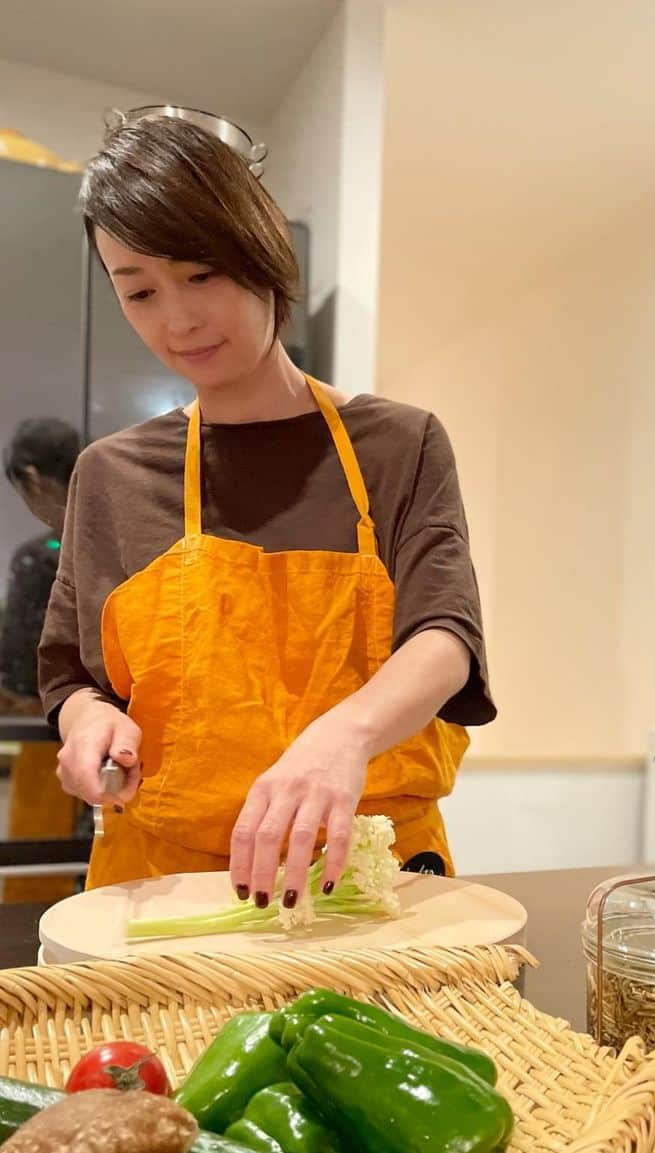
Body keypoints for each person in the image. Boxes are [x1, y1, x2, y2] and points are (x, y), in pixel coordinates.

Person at [39, 111, 494, 903]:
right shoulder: (109, 475)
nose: (176, 319)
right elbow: (74, 679)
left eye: (201, 275)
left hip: (367, 883)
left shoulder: (399, 444)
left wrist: (343, 737)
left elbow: (445, 635)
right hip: (167, 890)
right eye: (139, 291)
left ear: (262, 251)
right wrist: (88, 728)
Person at [1, 418, 83, 902]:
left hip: (47, 718)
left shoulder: (37, 557)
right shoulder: (114, 529)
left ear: (32, 476)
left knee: (40, 853)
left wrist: (12, 695)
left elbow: (18, 657)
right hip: (123, 718)